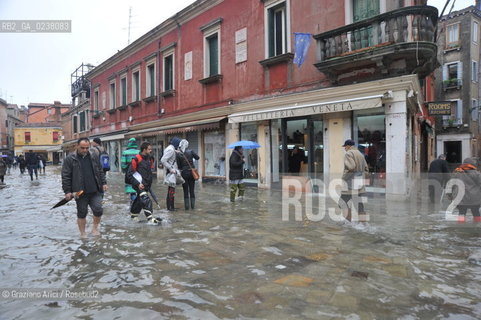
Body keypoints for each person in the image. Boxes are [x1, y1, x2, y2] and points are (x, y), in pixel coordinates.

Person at [61, 138, 108, 237]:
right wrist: (67, 191)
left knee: (98, 209)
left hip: (95, 189)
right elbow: (66, 176)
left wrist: (104, 183)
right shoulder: (70, 159)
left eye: (87, 148)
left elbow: (100, 170)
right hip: (80, 192)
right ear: (77, 146)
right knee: (82, 213)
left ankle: (94, 229)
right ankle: (83, 233)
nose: (85, 150)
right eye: (82, 148)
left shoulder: (93, 155)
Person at [127, 142, 160, 225]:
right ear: (144, 149)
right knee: (145, 199)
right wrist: (138, 184)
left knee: (139, 199)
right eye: (149, 149)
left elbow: (149, 171)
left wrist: (149, 183)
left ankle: (134, 215)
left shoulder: (150, 158)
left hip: (147, 184)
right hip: (138, 184)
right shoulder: (136, 159)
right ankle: (150, 218)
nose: (151, 150)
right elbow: (130, 174)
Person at [340, 139, 369, 222]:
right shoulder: (360, 154)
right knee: (359, 205)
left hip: (350, 184)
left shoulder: (349, 153)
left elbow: (351, 167)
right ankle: (364, 225)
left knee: (344, 204)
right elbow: (366, 170)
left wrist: (344, 178)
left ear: (348, 146)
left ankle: (348, 223)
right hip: (359, 183)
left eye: (345, 147)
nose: (345, 148)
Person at [451, 158, 481, 223]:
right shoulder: (476, 173)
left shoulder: (457, 172)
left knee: (461, 212)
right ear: (472, 164)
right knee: (476, 212)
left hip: (460, 197)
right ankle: (477, 225)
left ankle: (461, 227)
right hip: (474, 198)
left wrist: (451, 196)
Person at [177, 139, 200, 210]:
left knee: (185, 191)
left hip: (184, 173)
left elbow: (179, 166)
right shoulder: (191, 151)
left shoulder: (179, 154)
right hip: (191, 173)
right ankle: (193, 207)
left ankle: (187, 208)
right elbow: (198, 157)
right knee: (192, 190)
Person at [161, 137, 182, 211]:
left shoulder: (170, 148)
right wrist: (170, 168)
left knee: (171, 189)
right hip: (171, 172)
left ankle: (171, 207)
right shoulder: (171, 149)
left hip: (171, 172)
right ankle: (170, 208)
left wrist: (176, 152)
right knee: (171, 190)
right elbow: (163, 160)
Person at [121, 138, 140, 205]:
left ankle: (134, 205)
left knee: (132, 191)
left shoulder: (125, 153)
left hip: (129, 174)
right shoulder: (139, 152)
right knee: (138, 189)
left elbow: (123, 165)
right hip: (138, 174)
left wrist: (126, 170)